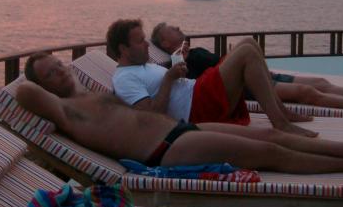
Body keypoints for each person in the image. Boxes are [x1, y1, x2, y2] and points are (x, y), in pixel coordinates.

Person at [17, 51, 343, 173]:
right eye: (49, 72)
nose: (58, 70)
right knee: (272, 155)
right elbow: (22, 91)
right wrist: (34, 75)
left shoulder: (95, 93)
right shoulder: (65, 110)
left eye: (59, 64)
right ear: (46, 84)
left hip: (183, 128)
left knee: (273, 136)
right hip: (164, 151)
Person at [108, 18, 317, 137]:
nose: (146, 45)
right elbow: (150, 119)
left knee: (249, 44)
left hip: (198, 91)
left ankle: (282, 111)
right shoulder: (124, 79)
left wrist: (177, 68)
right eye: (140, 42)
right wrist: (170, 78)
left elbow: (167, 86)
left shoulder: (142, 65)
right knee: (246, 53)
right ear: (123, 49)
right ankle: (280, 123)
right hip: (197, 108)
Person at [151, 22, 343, 112]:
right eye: (173, 29)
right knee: (309, 94)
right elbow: (191, 82)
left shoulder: (193, 51)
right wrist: (180, 58)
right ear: (165, 41)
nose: (178, 28)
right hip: (246, 86)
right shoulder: (180, 61)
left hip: (253, 75)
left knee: (319, 83)